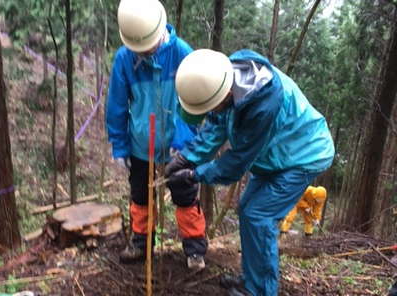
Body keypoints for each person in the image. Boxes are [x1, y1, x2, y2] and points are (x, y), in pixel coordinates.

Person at [164, 49, 335, 295]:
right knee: (247, 209)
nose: (215, 110)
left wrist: (194, 175)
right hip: (276, 154)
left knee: (259, 216)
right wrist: (186, 158)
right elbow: (216, 124)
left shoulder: (263, 105)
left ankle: (261, 290)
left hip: (304, 155)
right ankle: (251, 279)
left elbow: (236, 163)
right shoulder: (222, 78)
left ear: (225, 95)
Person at [106, 0, 207, 270]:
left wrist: (184, 143)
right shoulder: (124, 58)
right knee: (140, 196)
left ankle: (195, 248)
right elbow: (116, 105)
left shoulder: (182, 53)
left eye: (149, 45)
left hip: (178, 143)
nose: (146, 51)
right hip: (141, 143)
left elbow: (194, 103)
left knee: (185, 194)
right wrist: (120, 145)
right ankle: (141, 243)